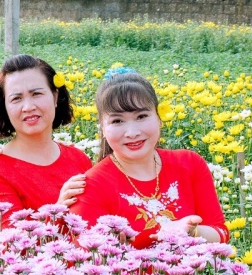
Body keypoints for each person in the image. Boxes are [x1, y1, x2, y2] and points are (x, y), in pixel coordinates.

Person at [72, 68, 227, 247]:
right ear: (102, 129)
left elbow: (221, 232)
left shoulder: (190, 164)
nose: (132, 133)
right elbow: (85, 262)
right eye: (117, 121)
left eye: (141, 116)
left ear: (159, 117)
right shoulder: (90, 187)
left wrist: (192, 232)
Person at [0, 54, 92, 232]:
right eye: (16, 99)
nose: (28, 106)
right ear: (4, 108)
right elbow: (13, 246)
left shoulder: (78, 158)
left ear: (55, 97)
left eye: (36, 94)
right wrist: (57, 211)